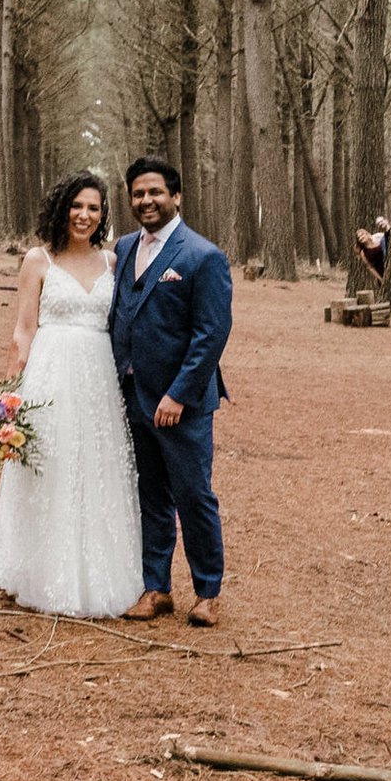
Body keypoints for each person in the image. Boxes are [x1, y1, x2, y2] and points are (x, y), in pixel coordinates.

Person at [0, 173, 143, 618]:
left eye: (94, 208)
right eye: (77, 206)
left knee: (96, 465)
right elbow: (23, 331)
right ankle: (38, 569)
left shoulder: (112, 262)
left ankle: (98, 572)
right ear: (63, 207)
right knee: (51, 465)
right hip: (50, 372)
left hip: (98, 375)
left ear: (103, 215)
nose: (84, 215)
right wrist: (8, 397)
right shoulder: (38, 260)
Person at [107, 155, 233, 627]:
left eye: (155, 192)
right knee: (151, 495)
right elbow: (120, 314)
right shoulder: (123, 248)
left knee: (193, 494)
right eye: (138, 194)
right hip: (135, 396)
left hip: (182, 404)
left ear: (176, 196)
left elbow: (211, 333)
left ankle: (208, 592)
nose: (146, 201)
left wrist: (179, 394)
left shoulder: (203, 256)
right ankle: (156, 588)